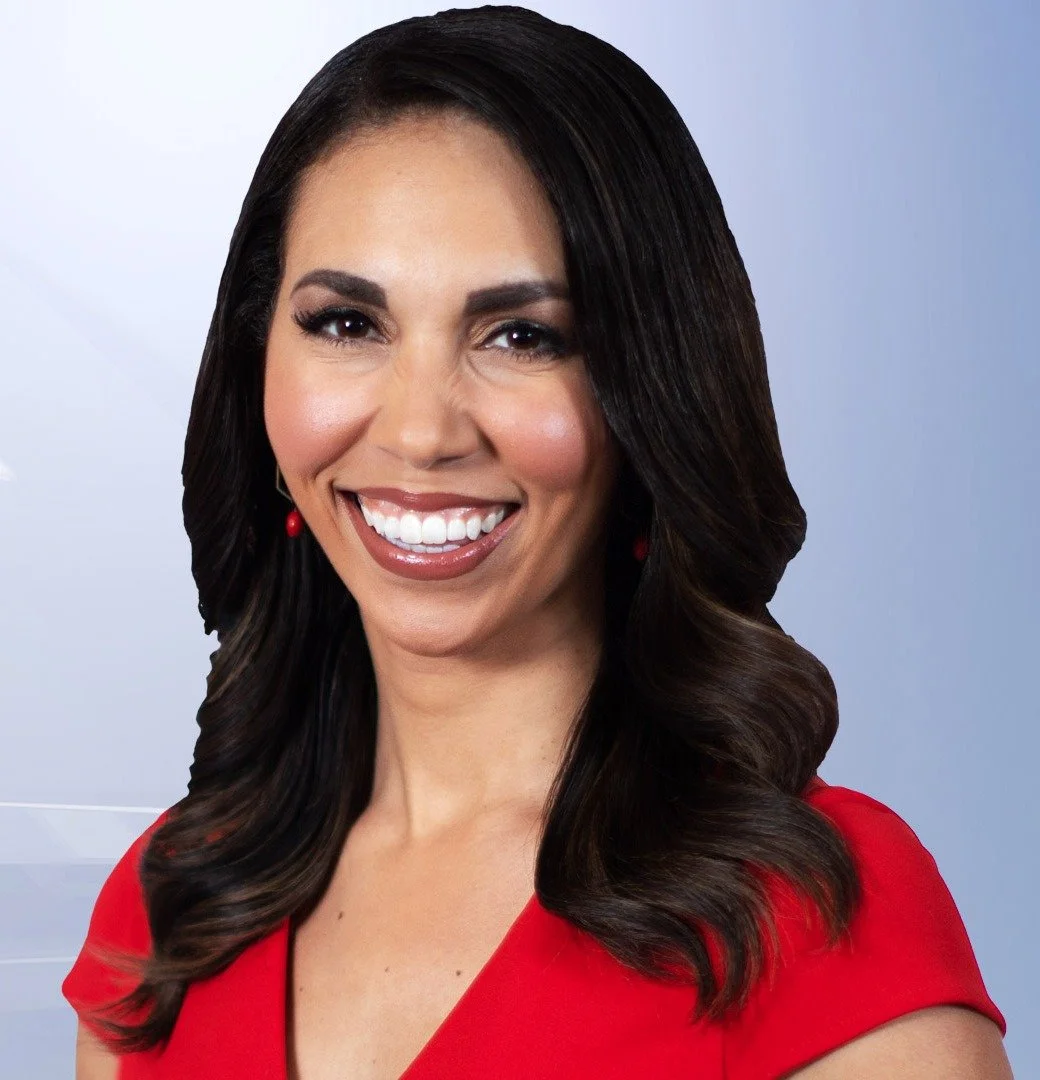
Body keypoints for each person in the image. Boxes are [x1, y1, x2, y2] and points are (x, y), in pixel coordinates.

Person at [62, 6, 1011, 1078]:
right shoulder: (166, 910)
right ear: (255, 368)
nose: (421, 430)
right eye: (346, 323)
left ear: (648, 394)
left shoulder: (819, 923)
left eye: (522, 336)